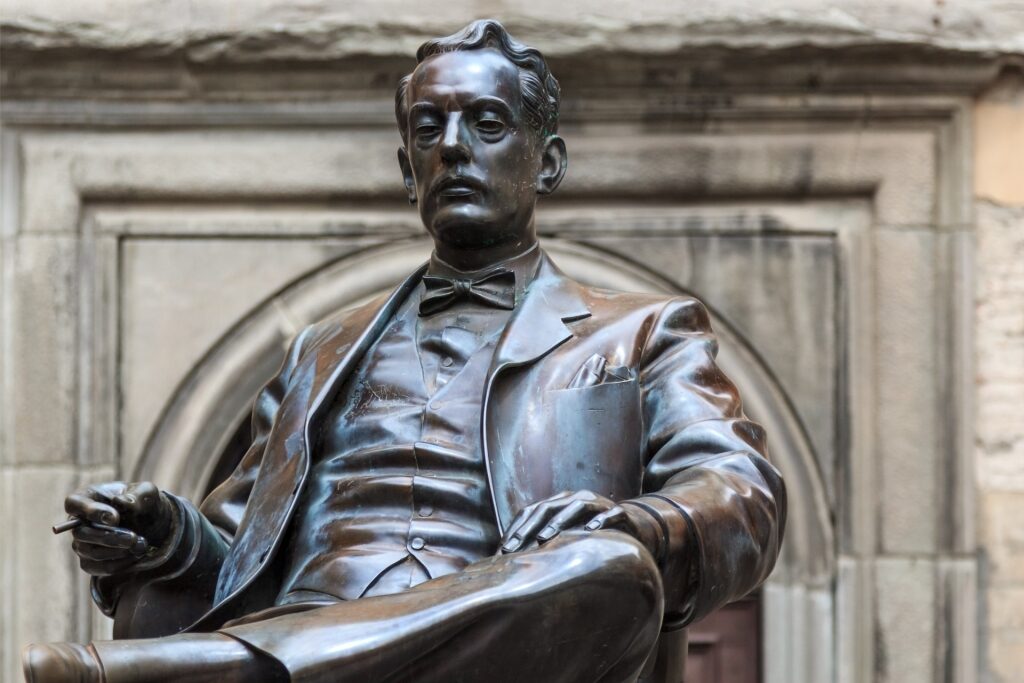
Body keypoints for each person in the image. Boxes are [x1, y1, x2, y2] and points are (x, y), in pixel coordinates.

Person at [24, 20, 786, 683]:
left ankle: (228, 670)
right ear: (406, 170)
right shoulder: (321, 350)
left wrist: (640, 523)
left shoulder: (645, 331)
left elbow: (741, 494)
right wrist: (167, 535)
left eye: (487, 124)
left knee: (605, 567)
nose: (452, 147)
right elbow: (237, 553)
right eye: (429, 128)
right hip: (308, 607)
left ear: (547, 162)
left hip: (510, 643)